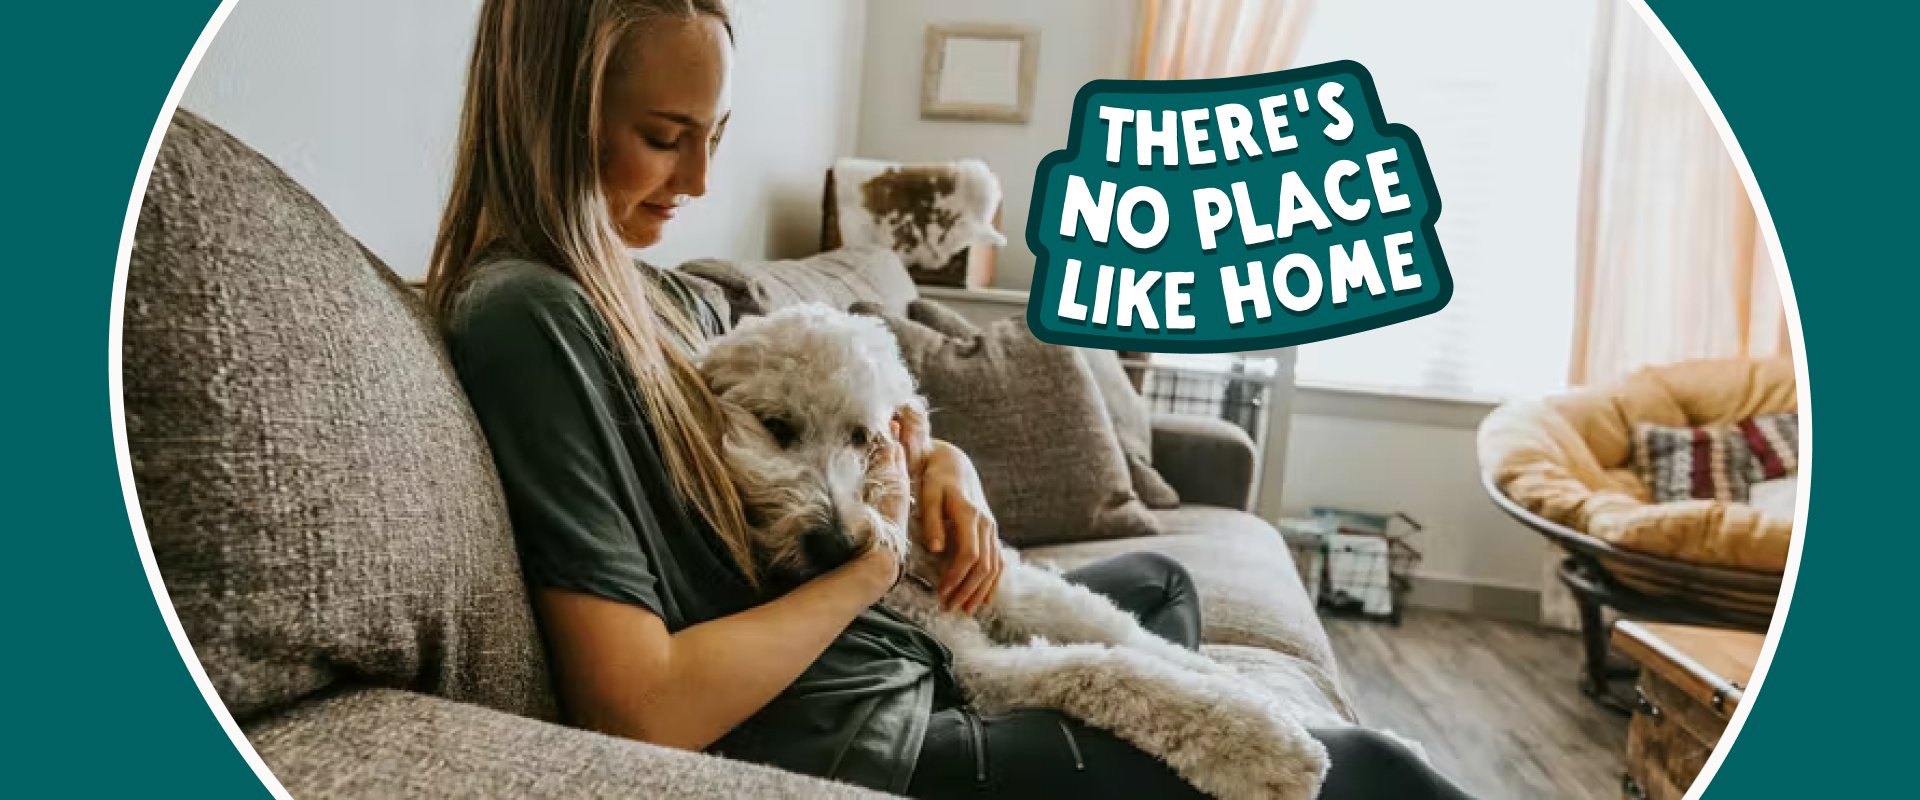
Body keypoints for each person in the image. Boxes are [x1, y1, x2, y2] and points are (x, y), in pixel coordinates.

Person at [425, 1, 1476, 797]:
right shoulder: (527, 315)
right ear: (552, 111)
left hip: (891, 649)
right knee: (1374, 769)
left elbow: (844, 414)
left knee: (1157, 578)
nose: (700, 177)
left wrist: (940, 466)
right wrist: (874, 555)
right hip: (849, 726)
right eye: (665, 134)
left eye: (716, 131)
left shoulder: (648, 287)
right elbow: (638, 705)